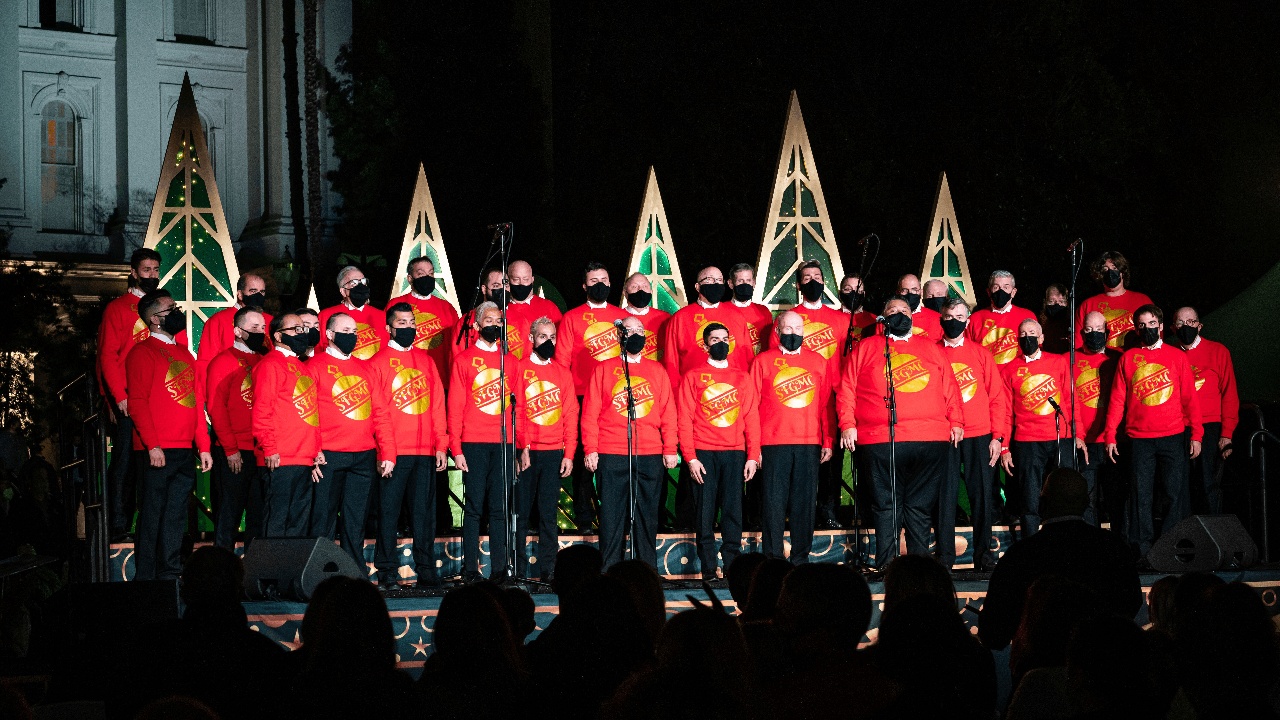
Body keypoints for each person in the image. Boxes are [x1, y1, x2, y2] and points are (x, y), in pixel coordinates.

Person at [839, 298, 962, 568]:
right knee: (885, 507)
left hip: (930, 440)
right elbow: (847, 387)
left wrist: (957, 422)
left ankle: (918, 568)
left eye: (904, 311)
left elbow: (950, 388)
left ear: (913, 316)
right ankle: (886, 567)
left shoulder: (931, 348)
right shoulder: (867, 347)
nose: (899, 315)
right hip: (880, 439)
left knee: (919, 508)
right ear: (882, 319)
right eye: (892, 311)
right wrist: (848, 424)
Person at [979, 468, 1140, 653]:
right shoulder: (1114, 548)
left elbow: (994, 631)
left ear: (1042, 503)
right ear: (1086, 503)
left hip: (1037, 667)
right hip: (1100, 665)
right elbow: (1131, 603)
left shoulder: (1021, 555)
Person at [125, 290, 214, 580]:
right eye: (170, 309)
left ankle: (170, 573)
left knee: (176, 515)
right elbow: (137, 402)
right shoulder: (142, 352)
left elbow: (195, 402)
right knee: (151, 514)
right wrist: (152, 445)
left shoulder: (184, 353)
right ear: (154, 319)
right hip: (157, 449)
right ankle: (146, 578)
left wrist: (203, 445)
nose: (177, 313)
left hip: (183, 448)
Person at [1105, 304, 1203, 558]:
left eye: (1151, 324)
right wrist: (1110, 435)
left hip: (1172, 435)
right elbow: (1117, 400)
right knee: (1141, 496)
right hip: (1140, 439)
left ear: (1160, 327)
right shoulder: (1128, 358)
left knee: (1173, 494)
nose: (1146, 329)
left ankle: (1170, 548)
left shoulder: (1177, 357)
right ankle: (1143, 551)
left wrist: (1196, 434)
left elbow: (1190, 399)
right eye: (1141, 325)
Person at [581, 315, 678, 569]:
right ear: (619, 335)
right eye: (630, 330)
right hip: (612, 453)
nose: (636, 334)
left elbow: (668, 412)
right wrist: (590, 448)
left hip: (649, 454)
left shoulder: (657, 370)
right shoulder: (602, 370)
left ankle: (646, 571)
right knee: (612, 517)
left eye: (640, 330)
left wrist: (670, 448)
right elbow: (589, 413)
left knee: (647, 516)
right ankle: (610, 571)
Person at [368, 302, 448, 590]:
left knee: (424, 516)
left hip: (425, 451)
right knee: (388, 514)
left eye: (411, 323)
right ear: (388, 328)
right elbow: (376, 414)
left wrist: (441, 444)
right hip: (394, 453)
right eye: (401, 323)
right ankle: (387, 572)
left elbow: (438, 405)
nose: (408, 328)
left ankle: (426, 571)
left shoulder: (426, 361)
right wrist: (384, 452)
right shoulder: (377, 363)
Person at [768, 260, 851, 530]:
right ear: (798, 284)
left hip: (833, 395)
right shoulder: (788, 319)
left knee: (831, 459)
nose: (813, 280)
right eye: (807, 277)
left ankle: (828, 510)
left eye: (817, 276)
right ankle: (796, 513)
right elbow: (776, 357)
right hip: (797, 392)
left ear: (824, 282)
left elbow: (848, 359)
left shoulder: (841, 319)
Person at [676, 323, 761, 580]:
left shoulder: (742, 377)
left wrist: (753, 456)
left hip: (735, 453)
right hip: (704, 452)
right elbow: (684, 420)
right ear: (705, 345)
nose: (721, 344)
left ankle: (733, 566)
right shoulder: (692, 376)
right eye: (714, 339)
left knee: (733, 511)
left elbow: (751, 419)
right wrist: (690, 457)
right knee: (705, 512)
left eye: (725, 339)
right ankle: (709, 568)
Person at [312, 312, 396, 569]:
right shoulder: (313, 366)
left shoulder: (365, 368)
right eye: (345, 330)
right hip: (329, 454)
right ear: (328, 334)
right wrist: (313, 451)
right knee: (323, 519)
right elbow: (307, 414)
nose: (352, 335)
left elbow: (380, 413)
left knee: (355, 520)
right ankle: (320, 574)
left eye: (354, 331)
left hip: (363, 456)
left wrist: (388, 453)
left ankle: (354, 573)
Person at [751, 311, 833, 564]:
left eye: (798, 329)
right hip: (773, 443)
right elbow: (751, 408)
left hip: (809, 443)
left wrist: (827, 439)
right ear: (777, 331)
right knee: (773, 505)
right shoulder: (762, 362)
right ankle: (773, 559)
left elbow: (825, 405)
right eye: (787, 329)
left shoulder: (818, 362)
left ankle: (801, 559)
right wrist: (755, 450)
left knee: (805, 504)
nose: (793, 334)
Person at [448, 301, 519, 581]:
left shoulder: (510, 361)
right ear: (476, 326)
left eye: (499, 320)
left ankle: (501, 569)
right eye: (488, 321)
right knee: (474, 508)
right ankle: (470, 570)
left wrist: (518, 447)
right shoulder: (464, 360)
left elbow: (519, 408)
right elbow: (454, 406)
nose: (495, 325)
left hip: (504, 444)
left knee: (500, 509)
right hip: (474, 443)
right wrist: (456, 447)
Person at [558, 261, 628, 533]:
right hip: (581, 396)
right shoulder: (572, 318)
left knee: (614, 461)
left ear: (611, 283)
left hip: (616, 398)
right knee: (583, 463)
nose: (599, 284)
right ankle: (585, 519)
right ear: (584, 286)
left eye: (604, 279)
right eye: (593, 280)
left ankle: (616, 517)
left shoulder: (622, 317)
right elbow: (562, 362)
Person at [97, 247, 161, 542]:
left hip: (157, 401)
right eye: (146, 270)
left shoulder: (162, 307)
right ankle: (117, 526)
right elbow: (107, 356)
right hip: (128, 400)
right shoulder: (118, 308)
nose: (151, 275)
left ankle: (147, 525)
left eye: (155, 270)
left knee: (151, 464)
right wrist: (117, 396)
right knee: (123, 462)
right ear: (133, 272)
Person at [936, 298, 1004, 569]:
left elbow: (997, 398)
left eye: (959, 316)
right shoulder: (932, 352)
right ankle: (944, 558)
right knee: (946, 497)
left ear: (967, 320)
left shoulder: (981, 354)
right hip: (944, 435)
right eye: (949, 316)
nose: (954, 321)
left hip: (980, 434)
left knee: (983, 497)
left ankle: (984, 557)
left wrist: (998, 437)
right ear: (941, 318)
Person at [513, 317, 579, 581]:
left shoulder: (563, 372)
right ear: (531, 339)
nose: (548, 342)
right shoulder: (518, 368)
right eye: (543, 337)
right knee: (521, 514)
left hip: (554, 453)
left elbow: (571, 413)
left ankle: (548, 570)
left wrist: (569, 453)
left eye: (552, 337)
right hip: (527, 452)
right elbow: (516, 410)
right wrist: (523, 446)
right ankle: (517, 570)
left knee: (549, 515)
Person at [997, 318, 1075, 537]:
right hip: (1027, 441)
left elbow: (1069, 401)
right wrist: (1004, 448)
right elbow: (1005, 412)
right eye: (1022, 334)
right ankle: (1032, 548)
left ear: (1041, 338)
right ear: (1017, 340)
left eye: (1032, 333)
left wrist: (1076, 435)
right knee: (1030, 499)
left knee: (1062, 498)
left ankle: (1064, 542)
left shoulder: (1059, 362)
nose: (1027, 338)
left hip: (1060, 438)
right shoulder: (1009, 370)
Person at [252, 313, 323, 537]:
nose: (303, 334)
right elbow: (262, 410)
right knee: (276, 522)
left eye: (304, 329)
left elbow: (311, 413)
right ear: (278, 335)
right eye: (296, 329)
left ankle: (291, 572)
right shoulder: (270, 365)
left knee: (298, 523)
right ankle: (270, 572)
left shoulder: (302, 367)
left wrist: (316, 449)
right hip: (280, 458)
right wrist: (270, 448)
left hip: (303, 458)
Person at [205, 306, 267, 549]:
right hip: (234, 452)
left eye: (263, 328)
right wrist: (231, 449)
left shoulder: (264, 360)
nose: (260, 333)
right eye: (254, 328)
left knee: (258, 518)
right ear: (238, 331)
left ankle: (254, 576)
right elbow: (216, 408)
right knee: (228, 517)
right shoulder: (222, 361)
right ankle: (222, 575)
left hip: (261, 453)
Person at [1172, 306, 1238, 514]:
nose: (1186, 327)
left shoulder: (1218, 351)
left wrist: (1226, 434)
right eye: (1180, 323)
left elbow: (1229, 394)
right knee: (1180, 487)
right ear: (1173, 328)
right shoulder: (1170, 355)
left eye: (1190, 322)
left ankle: (1213, 540)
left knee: (1208, 484)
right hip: (1179, 428)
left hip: (1210, 426)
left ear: (1199, 326)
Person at [662, 265, 755, 382]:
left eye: (719, 280)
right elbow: (671, 362)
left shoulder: (737, 315)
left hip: (734, 386)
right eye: (709, 279)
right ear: (697, 287)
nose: (715, 283)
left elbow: (748, 356)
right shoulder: (680, 318)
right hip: (696, 389)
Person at [1072, 310, 1121, 525]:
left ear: (1107, 331)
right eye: (1089, 330)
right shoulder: (1069, 359)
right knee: (1087, 501)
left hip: (1114, 441)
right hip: (1084, 443)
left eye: (1099, 329)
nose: (1094, 334)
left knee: (1115, 499)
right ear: (1082, 332)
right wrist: (1077, 435)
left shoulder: (1118, 358)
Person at [190, 273, 273, 394]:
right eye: (253, 291)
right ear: (240, 294)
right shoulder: (218, 320)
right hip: (229, 391)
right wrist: (210, 399)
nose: (258, 296)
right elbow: (205, 363)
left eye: (262, 292)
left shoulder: (270, 321)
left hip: (263, 390)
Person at [385, 255, 460, 385]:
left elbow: (456, 345)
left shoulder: (447, 308)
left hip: (439, 377)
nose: (427, 277)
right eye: (421, 274)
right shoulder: (395, 305)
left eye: (431, 273)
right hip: (403, 376)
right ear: (410, 278)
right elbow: (385, 340)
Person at [1076, 250, 1154, 351]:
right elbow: (1078, 344)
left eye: (1115, 268)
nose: (1110, 273)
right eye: (1105, 269)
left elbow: (1156, 337)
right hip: (1102, 363)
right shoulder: (1088, 305)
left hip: (1137, 361)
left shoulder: (1143, 300)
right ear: (1100, 275)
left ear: (1123, 272)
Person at [966, 270, 1038, 364]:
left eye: (1006, 287)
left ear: (1013, 292)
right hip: (985, 375)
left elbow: (1036, 351)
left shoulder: (1027, 316)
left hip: (1018, 375)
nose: (1001, 291)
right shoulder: (974, 319)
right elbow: (966, 353)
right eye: (996, 287)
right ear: (989, 292)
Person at [317, 266, 388, 359]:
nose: (360, 286)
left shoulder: (382, 315)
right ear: (343, 291)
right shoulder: (326, 315)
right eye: (353, 283)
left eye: (363, 282)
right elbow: (318, 351)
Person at [505, 259, 564, 358]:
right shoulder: (500, 310)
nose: (521, 283)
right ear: (507, 280)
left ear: (532, 280)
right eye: (516, 279)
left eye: (525, 279)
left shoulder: (549, 307)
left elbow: (562, 345)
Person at [449, 266, 509, 360]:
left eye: (506, 285)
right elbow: (458, 360)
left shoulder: (516, 317)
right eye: (496, 286)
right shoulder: (467, 321)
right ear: (484, 289)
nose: (503, 290)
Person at [621, 271, 671, 362]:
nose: (641, 290)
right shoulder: (616, 318)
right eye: (634, 286)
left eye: (645, 286)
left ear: (651, 291)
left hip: (657, 373)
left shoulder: (665, 318)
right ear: (625, 292)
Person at [726, 263, 774, 354]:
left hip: (758, 365)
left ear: (754, 283)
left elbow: (770, 344)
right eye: (740, 280)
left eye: (748, 280)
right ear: (731, 284)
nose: (745, 284)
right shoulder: (722, 310)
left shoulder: (763, 311)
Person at [893, 273, 942, 341]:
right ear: (898, 293)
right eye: (904, 290)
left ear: (921, 292)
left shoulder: (938, 319)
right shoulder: (887, 320)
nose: (910, 293)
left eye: (914, 290)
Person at [1039, 283, 1071, 354]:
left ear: (1067, 303)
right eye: (1051, 301)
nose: (1057, 304)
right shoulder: (1038, 323)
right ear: (1045, 302)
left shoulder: (1072, 324)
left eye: (1061, 301)